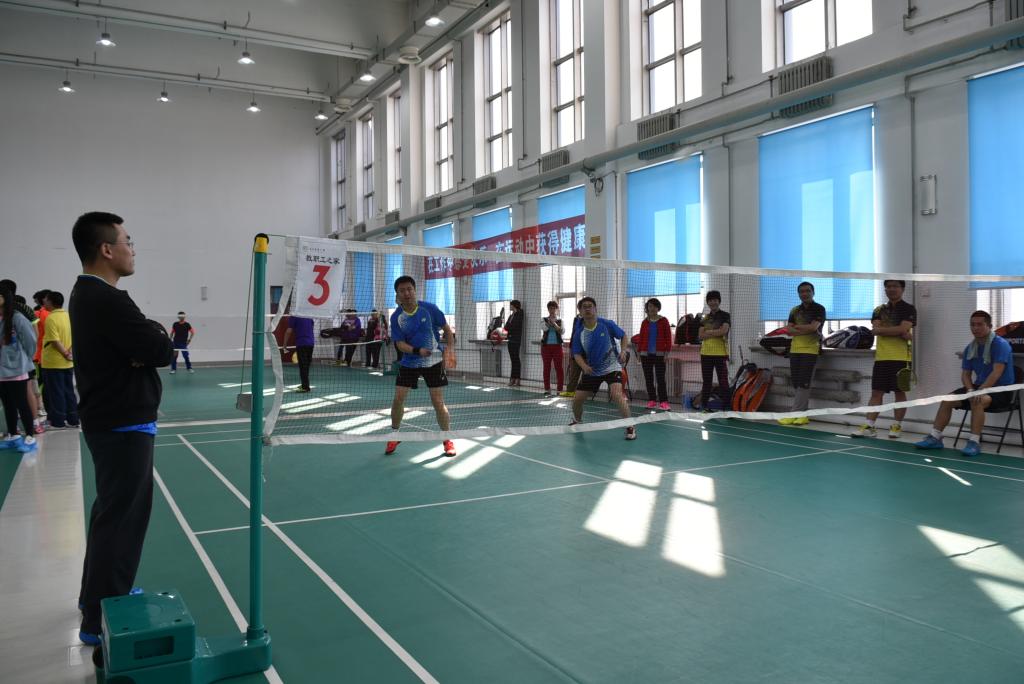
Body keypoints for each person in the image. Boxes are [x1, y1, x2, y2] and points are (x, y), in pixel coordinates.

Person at [69, 212, 174, 653]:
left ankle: (96, 597)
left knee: (110, 514)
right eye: (128, 241)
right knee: (122, 519)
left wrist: (146, 342)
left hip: (113, 422)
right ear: (106, 249)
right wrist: (153, 337)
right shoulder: (106, 299)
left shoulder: (90, 295)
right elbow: (161, 348)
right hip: (122, 425)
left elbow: (148, 346)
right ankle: (99, 617)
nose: (133, 249)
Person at [914, 310, 1016, 457]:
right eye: (972, 325)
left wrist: (979, 392)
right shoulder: (971, 348)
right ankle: (935, 437)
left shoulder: (1001, 345)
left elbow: (996, 373)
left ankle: (974, 442)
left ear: (989, 326)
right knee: (947, 399)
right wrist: (970, 390)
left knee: (977, 401)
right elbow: (965, 375)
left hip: (1001, 390)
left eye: (980, 324)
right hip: (978, 387)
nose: (975, 328)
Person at [386, 275, 457, 457]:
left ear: (415, 290)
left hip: (433, 361)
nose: (407, 293)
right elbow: (399, 344)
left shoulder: (430, 308)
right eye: (402, 290)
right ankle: (394, 434)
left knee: (437, 401)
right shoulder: (396, 317)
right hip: (410, 361)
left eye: (409, 289)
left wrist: (449, 351)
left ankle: (447, 439)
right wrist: (417, 351)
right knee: (398, 398)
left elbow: (447, 330)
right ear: (397, 294)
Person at [853, 280, 917, 439]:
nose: (891, 289)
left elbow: (902, 329)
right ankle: (869, 425)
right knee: (876, 392)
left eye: (895, 286)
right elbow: (877, 330)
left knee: (899, 392)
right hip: (881, 358)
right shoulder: (878, 309)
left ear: (902, 289)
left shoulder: (909, 309)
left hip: (901, 358)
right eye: (888, 286)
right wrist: (897, 331)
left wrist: (887, 330)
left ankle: (896, 426)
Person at [570, 297, 636, 440]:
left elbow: (623, 336)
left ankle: (630, 426)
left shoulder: (606, 324)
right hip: (592, 370)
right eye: (584, 307)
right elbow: (576, 354)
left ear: (595, 308)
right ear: (580, 311)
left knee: (616, 394)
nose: (587, 309)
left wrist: (624, 351)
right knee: (577, 399)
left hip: (612, 367)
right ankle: (577, 420)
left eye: (590, 306)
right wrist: (584, 366)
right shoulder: (579, 332)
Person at [779, 281, 826, 426]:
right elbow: (789, 330)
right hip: (795, 350)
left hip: (810, 350)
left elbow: (813, 328)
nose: (805, 294)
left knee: (804, 384)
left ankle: (795, 413)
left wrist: (797, 328)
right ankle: (803, 415)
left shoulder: (819, 309)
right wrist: (804, 328)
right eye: (802, 291)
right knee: (797, 383)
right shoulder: (794, 310)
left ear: (813, 292)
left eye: (808, 291)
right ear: (799, 294)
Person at [0, 283, 38, 453]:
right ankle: (13, 435)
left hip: (16, 369)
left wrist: (24, 359)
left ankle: (30, 437)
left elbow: (30, 341)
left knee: (22, 403)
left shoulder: (17, 317)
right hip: (1, 370)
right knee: (7, 404)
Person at [41, 291, 79, 429]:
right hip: (68, 362)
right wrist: (69, 353)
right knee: (69, 391)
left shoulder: (51, 318)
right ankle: (73, 420)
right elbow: (75, 336)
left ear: (51, 302)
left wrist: (65, 353)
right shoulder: (68, 316)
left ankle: (58, 422)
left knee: (56, 392)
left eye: (46, 299)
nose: (44, 301)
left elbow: (54, 340)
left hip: (54, 362)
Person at [634, 297, 672, 410]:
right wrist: (639, 353)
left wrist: (666, 353)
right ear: (647, 308)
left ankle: (664, 401)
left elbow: (668, 338)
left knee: (660, 379)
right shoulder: (644, 322)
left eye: (654, 306)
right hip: (645, 355)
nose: (652, 308)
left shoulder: (664, 321)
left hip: (660, 355)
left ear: (658, 308)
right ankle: (652, 400)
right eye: (650, 306)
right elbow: (641, 338)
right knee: (648, 378)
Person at [698, 290, 731, 411]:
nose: (713, 302)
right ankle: (704, 406)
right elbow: (700, 336)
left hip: (720, 354)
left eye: (715, 300)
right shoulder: (704, 318)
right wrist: (716, 332)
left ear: (719, 301)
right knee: (707, 381)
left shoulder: (725, 315)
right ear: (708, 302)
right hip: (705, 354)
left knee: (723, 382)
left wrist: (709, 332)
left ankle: (726, 407)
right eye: (710, 300)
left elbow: (724, 331)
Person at [30, 288, 50, 431]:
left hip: (40, 355)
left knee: (39, 383)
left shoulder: (38, 314)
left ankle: (41, 408)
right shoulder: (56, 315)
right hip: (50, 356)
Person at [283, 311, 315, 393]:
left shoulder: (294, 317)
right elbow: (311, 327)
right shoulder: (308, 315)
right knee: (306, 365)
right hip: (311, 343)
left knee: (303, 366)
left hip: (302, 344)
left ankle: (305, 387)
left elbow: (288, 331)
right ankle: (305, 384)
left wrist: (284, 344)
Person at [540, 301, 565, 397]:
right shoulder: (543, 319)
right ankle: (547, 389)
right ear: (548, 309)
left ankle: (559, 390)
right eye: (550, 308)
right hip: (546, 347)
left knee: (559, 368)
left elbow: (562, 331)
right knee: (546, 368)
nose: (552, 310)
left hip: (557, 347)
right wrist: (549, 323)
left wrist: (554, 324)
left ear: (556, 309)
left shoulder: (560, 320)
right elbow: (545, 329)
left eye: (554, 308)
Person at [560, 309, 585, 398]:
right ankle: (570, 391)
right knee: (574, 373)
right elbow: (573, 333)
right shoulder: (576, 319)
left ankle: (585, 392)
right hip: (576, 351)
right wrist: (571, 348)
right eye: (581, 307)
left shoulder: (589, 319)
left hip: (586, 352)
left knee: (586, 374)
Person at [503, 299, 524, 386]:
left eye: (511, 305)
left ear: (514, 305)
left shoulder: (520, 314)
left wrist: (509, 327)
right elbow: (506, 327)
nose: (510, 306)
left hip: (516, 340)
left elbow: (514, 326)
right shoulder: (511, 316)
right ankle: (513, 379)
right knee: (513, 360)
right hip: (510, 339)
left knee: (516, 360)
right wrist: (509, 327)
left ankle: (517, 379)